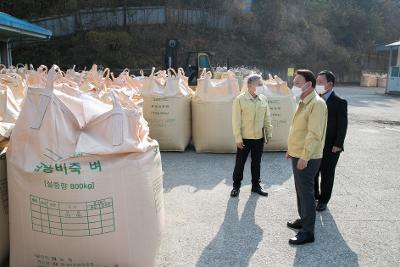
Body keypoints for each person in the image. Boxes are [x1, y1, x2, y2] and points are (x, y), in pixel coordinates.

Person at [286, 69, 327, 245]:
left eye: (297, 83)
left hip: (307, 156)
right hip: (298, 153)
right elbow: (298, 130)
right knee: (300, 190)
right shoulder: (303, 101)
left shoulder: (316, 104)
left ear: (309, 84)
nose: (294, 86)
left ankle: (308, 232)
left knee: (307, 193)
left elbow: (313, 134)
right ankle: (303, 219)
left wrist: (304, 157)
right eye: (294, 83)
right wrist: (291, 149)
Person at [231, 74, 273, 198]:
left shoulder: (263, 99)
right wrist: (238, 138)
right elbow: (236, 121)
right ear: (250, 85)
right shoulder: (240, 99)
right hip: (244, 138)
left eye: (262, 84)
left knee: (256, 163)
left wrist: (268, 133)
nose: (261, 87)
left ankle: (256, 186)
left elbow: (267, 117)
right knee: (240, 163)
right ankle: (236, 186)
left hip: (258, 138)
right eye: (259, 84)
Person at [314, 70, 348, 211]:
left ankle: (324, 200)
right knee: (313, 172)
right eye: (317, 82)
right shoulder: (314, 99)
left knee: (327, 174)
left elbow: (342, 125)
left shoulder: (339, 102)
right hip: (314, 144)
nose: (318, 84)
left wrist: (338, 144)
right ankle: (314, 195)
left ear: (330, 84)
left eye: (321, 82)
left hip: (330, 146)